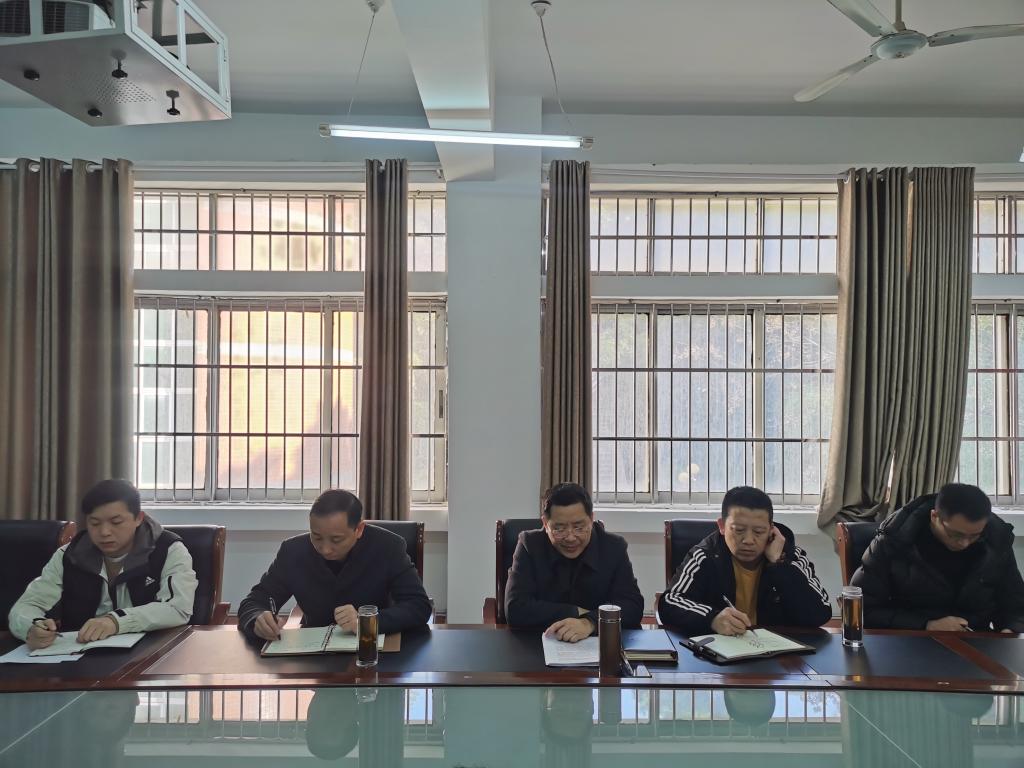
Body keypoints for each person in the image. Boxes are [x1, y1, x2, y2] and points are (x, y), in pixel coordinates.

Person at [8, 479, 197, 649]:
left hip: (151, 654)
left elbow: (177, 608)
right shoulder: (70, 555)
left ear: (138, 518)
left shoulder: (168, 550)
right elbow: (27, 605)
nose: (104, 532)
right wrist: (31, 627)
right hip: (79, 658)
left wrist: (116, 621)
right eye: (95, 523)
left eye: (116, 522)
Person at [238, 489, 432, 642]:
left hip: (374, 651)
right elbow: (254, 602)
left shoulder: (388, 547)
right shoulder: (293, 552)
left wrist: (367, 621)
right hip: (315, 656)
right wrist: (257, 618)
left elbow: (418, 606)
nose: (325, 549)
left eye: (336, 539)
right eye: (317, 537)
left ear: (359, 529)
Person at [658, 485, 831, 636]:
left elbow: (821, 612)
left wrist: (779, 565)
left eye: (758, 532)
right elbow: (670, 601)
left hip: (778, 654)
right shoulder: (705, 555)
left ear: (771, 529)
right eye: (739, 530)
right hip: (721, 652)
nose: (748, 540)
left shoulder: (790, 556)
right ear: (722, 526)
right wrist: (712, 618)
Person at [852, 482, 1024, 632]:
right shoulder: (894, 541)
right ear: (934, 516)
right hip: (911, 641)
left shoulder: (996, 542)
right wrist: (926, 625)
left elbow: (1015, 606)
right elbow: (861, 610)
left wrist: (1010, 629)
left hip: (977, 642)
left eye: (974, 536)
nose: (964, 543)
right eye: (956, 535)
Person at [504, 483, 644, 642]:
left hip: (598, 646)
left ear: (591, 519)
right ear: (545, 523)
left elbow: (633, 606)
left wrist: (590, 622)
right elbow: (515, 609)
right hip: (538, 644)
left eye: (579, 527)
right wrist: (575, 612)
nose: (570, 538)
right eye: (559, 529)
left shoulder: (613, 547)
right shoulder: (530, 545)